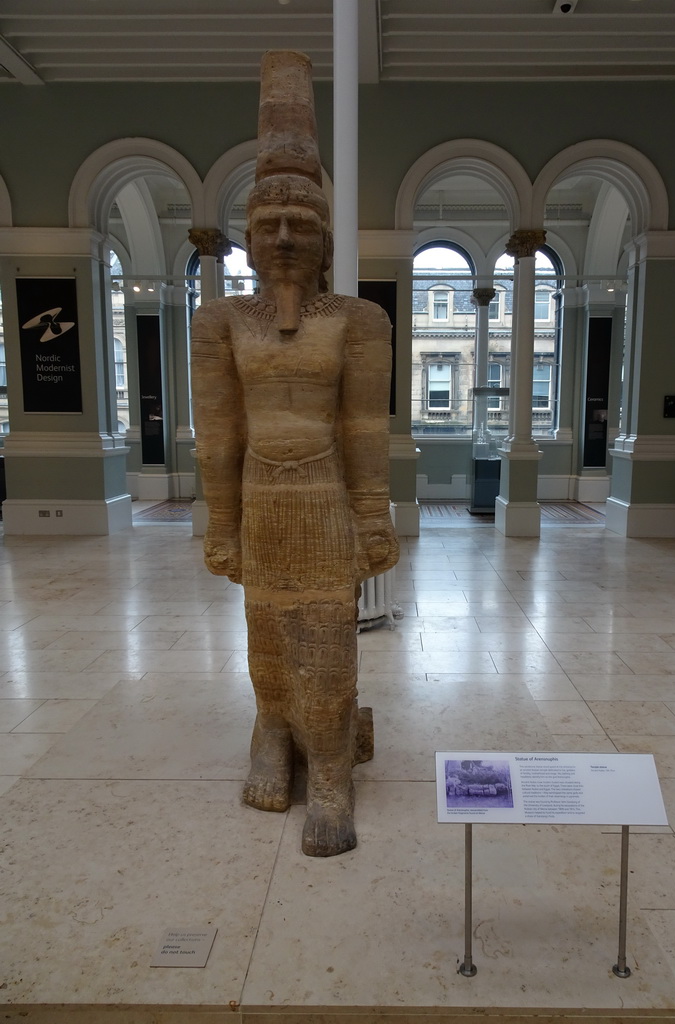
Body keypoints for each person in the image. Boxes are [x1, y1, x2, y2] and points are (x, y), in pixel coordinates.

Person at [190, 51, 398, 856]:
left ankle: (335, 772)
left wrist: (375, 517)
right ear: (245, 238)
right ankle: (272, 731)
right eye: (268, 225)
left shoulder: (357, 321)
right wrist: (222, 524)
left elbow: (362, 431)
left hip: (323, 499)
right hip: (260, 501)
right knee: (267, 642)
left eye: (300, 225)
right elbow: (221, 432)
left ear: (324, 241)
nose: (283, 237)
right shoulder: (220, 323)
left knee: (328, 642)